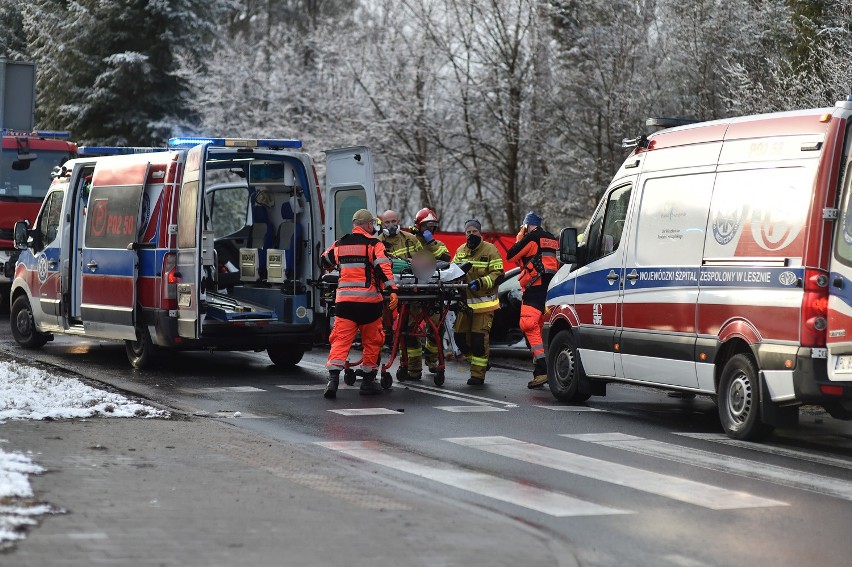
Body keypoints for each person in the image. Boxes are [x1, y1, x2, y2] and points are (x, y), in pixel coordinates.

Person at [320, 209, 398, 398]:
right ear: (369, 225)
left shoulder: (340, 243)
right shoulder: (374, 244)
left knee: (340, 340)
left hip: (345, 303)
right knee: (372, 341)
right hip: (369, 304)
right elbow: (383, 267)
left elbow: (324, 260)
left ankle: (332, 381)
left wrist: (334, 266)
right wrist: (393, 290)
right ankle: (368, 383)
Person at [507, 211, 559, 388]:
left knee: (528, 325)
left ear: (527, 225)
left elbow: (511, 255)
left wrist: (520, 237)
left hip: (534, 288)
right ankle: (542, 371)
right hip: (551, 289)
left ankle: (543, 370)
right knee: (538, 329)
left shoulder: (531, 238)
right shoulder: (551, 238)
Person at [452, 219, 504, 385]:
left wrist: (482, 282)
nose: (471, 235)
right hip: (465, 304)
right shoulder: (460, 251)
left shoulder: (490, 250)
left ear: (480, 233)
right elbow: (452, 271)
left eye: (474, 232)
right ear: (465, 233)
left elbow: (498, 274)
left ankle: (477, 375)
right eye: (468, 232)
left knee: (478, 341)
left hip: (484, 305)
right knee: (459, 338)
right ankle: (479, 363)